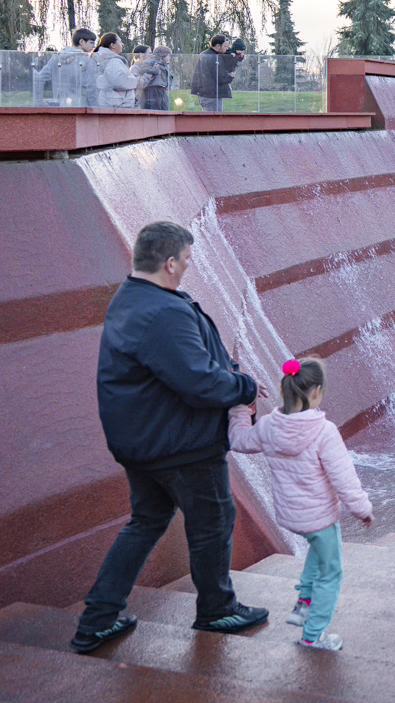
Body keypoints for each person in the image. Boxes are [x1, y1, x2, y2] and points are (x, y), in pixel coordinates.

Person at [70, 222, 266, 655]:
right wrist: (245, 387)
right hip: (182, 445)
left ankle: (97, 621)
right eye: (187, 259)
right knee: (213, 522)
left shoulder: (131, 298)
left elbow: (186, 362)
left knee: (146, 521)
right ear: (170, 262)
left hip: (144, 442)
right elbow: (199, 383)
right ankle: (217, 609)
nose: (189, 266)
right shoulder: (163, 312)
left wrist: (228, 371)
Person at [227, 358, 372, 651]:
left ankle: (303, 605)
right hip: (320, 517)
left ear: (285, 390)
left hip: (292, 517)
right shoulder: (324, 431)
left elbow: (239, 440)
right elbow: (343, 477)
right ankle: (313, 635)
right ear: (316, 392)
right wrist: (362, 509)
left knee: (317, 554)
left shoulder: (269, 426)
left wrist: (240, 408)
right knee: (331, 573)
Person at [33, 27, 98, 106]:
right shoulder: (87, 61)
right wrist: (94, 108)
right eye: (91, 43)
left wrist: (39, 102)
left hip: (62, 105)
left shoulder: (56, 58)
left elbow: (39, 78)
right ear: (81, 42)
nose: (94, 46)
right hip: (82, 106)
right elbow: (91, 88)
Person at [92, 33, 138, 108]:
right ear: (113, 45)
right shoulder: (114, 61)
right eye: (120, 42)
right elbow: (118, 82)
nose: (122, 44)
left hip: (105, 102)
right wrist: (134, 80)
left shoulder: (99, 58)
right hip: (118, 105)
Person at [192, 35, 231, 111]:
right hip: (212, 95)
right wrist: (230, 76)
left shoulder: (205, 54)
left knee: (210, 116)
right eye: (225, 46)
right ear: (218, 46)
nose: (227, 49)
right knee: (214, 117)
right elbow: (219, 77)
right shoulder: (214, 57)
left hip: (206, 93)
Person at [131, 44, 171, 111]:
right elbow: (140, 84)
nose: (152, 55)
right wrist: (152, 72)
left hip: (148, 99)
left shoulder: (151, 65)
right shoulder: (135, 68)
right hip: (141, 103)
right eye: (149, 53)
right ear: (141, 54)